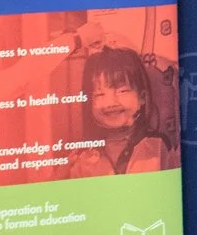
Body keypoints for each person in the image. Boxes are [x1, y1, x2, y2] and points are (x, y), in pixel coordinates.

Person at [68, 46, 176, 177]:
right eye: (99, 94)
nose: (111, 103)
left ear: (142, 98)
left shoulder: (158, 146)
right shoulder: (81, 157)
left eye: (122, 91)